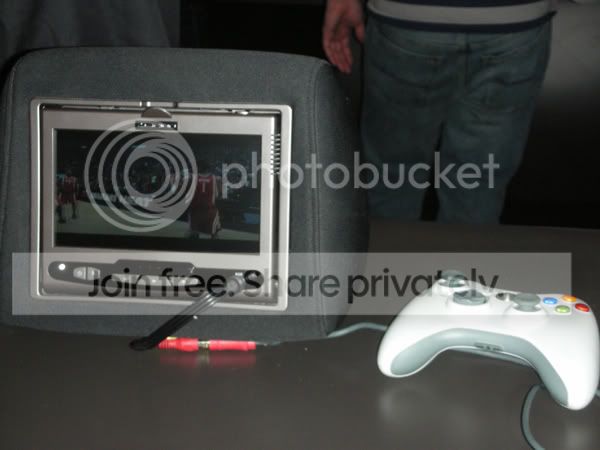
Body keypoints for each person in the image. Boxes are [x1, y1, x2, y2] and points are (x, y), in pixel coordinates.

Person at [322, 0, 553, 223]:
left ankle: (389, 249)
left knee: (391, 178)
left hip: (409, 19)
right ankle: (468, 249)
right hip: (515, 22)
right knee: (479, 184)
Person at [188, 160, 221, 239]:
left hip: (195, 211)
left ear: (198, 168)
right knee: (215, 235)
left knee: (193, 234)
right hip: (209, 211)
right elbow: (217, 195)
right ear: (208, 168)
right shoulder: (215, 178)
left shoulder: (193, 178)